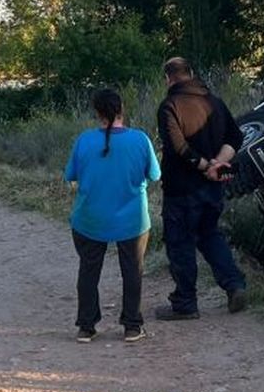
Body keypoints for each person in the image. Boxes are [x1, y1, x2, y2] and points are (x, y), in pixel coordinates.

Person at [64, 89, 161, 343]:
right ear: (122, 109)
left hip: (90, 217)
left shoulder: (84, 140)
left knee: (88, 270)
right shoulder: (140, 140)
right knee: (132, 271)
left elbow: (71, 175)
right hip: (132, 219)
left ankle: (86, 326)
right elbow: (154, 175)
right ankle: (131, 325)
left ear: (97, 113)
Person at [154, 57, 247, 320]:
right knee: (210, 235)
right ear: (191, 73)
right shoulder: (213, 101)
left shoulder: (169, 106)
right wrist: (220, 161)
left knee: (180, 243)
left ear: (168, 79)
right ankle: (234, 285)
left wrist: (206, 165)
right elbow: (236, 136)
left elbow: (178, 147)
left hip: (182, 189)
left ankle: (185, 302)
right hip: (213, 187)